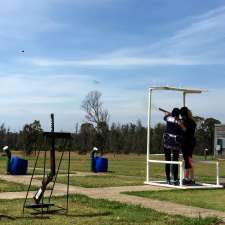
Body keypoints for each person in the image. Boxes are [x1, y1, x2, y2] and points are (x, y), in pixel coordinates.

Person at [163, 108, 183, 185]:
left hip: (167, 142)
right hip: (176, 143)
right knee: (175, 161)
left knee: (167, 160)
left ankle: (168, 179)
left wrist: (168, 114)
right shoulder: (180, 121)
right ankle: (175, 179)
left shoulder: (168, 118)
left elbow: (164, 118)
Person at [180, 107, 196, 185]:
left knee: (188, 159)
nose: (181, 116)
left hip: (188, 143)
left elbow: (187, 131)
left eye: (182, 115)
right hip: (187, 143)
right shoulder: (189, 121)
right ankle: (190, 178)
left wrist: (181, 124)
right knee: (188, 159)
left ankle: (187, 177)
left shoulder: (190, 122)